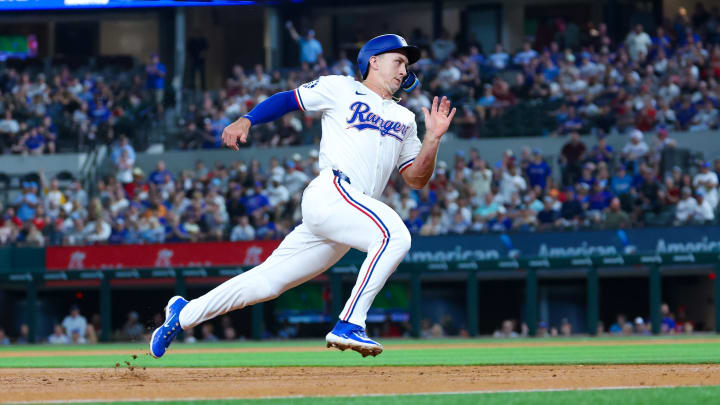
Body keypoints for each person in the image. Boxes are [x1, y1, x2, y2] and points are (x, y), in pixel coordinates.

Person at [150, 34, 455, 359]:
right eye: (399, 61)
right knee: (395, 236)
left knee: (267, 283)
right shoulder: (341, 88)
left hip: (348, 218)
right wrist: (247, 119)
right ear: (374, 61)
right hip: (333, 192)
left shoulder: (406, 119)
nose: (403, 71)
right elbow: (288, 99)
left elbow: (416, 178)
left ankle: (182, 315)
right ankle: (350, 323)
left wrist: (433, 139)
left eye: (407, 65)